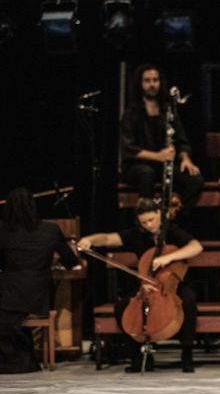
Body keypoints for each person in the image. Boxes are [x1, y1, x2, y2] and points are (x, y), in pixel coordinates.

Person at [77, 198, 203, 373]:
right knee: (122, 307)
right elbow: (107, 238)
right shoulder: (136, 234)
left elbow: (196, 247)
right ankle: (139, 357)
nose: (149, 225)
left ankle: (187, 354)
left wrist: (169, 257)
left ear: (159, 214)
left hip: (174, 284)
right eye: (144, 222)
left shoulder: (172, 231)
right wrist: (89, 240)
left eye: (152, 220)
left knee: (188, 301)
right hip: (147, 285)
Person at [0, 188, 79, 373]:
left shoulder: (3, 229)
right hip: (40, 293)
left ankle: (15, 361)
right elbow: (70, 261)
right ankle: (25, 358)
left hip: (10, 290)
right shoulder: (51, 229)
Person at [120, 64, 204, 213]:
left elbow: (182, 140)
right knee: (147, 173)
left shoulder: (168, 109)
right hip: (137, 166)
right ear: (140, 84)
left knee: (195, 180)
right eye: (147, 81)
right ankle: (148, 217)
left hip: (163, 165)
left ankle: (172, 212)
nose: (152, 84)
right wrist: (158, 156)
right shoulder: (131, 113)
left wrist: (185, 158)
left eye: (155, 80)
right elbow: (128, 149)